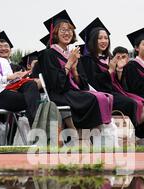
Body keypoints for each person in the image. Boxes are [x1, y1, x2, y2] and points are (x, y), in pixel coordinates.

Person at [38, 10, 115, 145]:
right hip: (59, 94)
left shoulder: (72, 53)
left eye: (70, 30)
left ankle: (99, 139)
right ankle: (95, 138)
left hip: (73, 93)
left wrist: (74, 71)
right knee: (94, 98)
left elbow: (83, 85)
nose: (67, 33)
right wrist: (69, 63)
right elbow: (56, 85)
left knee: (106, 96)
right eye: (62, 30)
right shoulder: (48, 54)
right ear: (54, 33)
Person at [79, 18, 144, 143]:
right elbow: (94, 84)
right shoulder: (87, 60)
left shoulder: (109, 58)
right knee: (130, 103)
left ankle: (129, 136)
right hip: (100, 94)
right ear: (93, 40)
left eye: (106, 38)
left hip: (114, 91)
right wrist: (110, 71)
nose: (104, 41)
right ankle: (123, 138)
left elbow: (118, 83)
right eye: (100, 38)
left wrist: (119, 71)